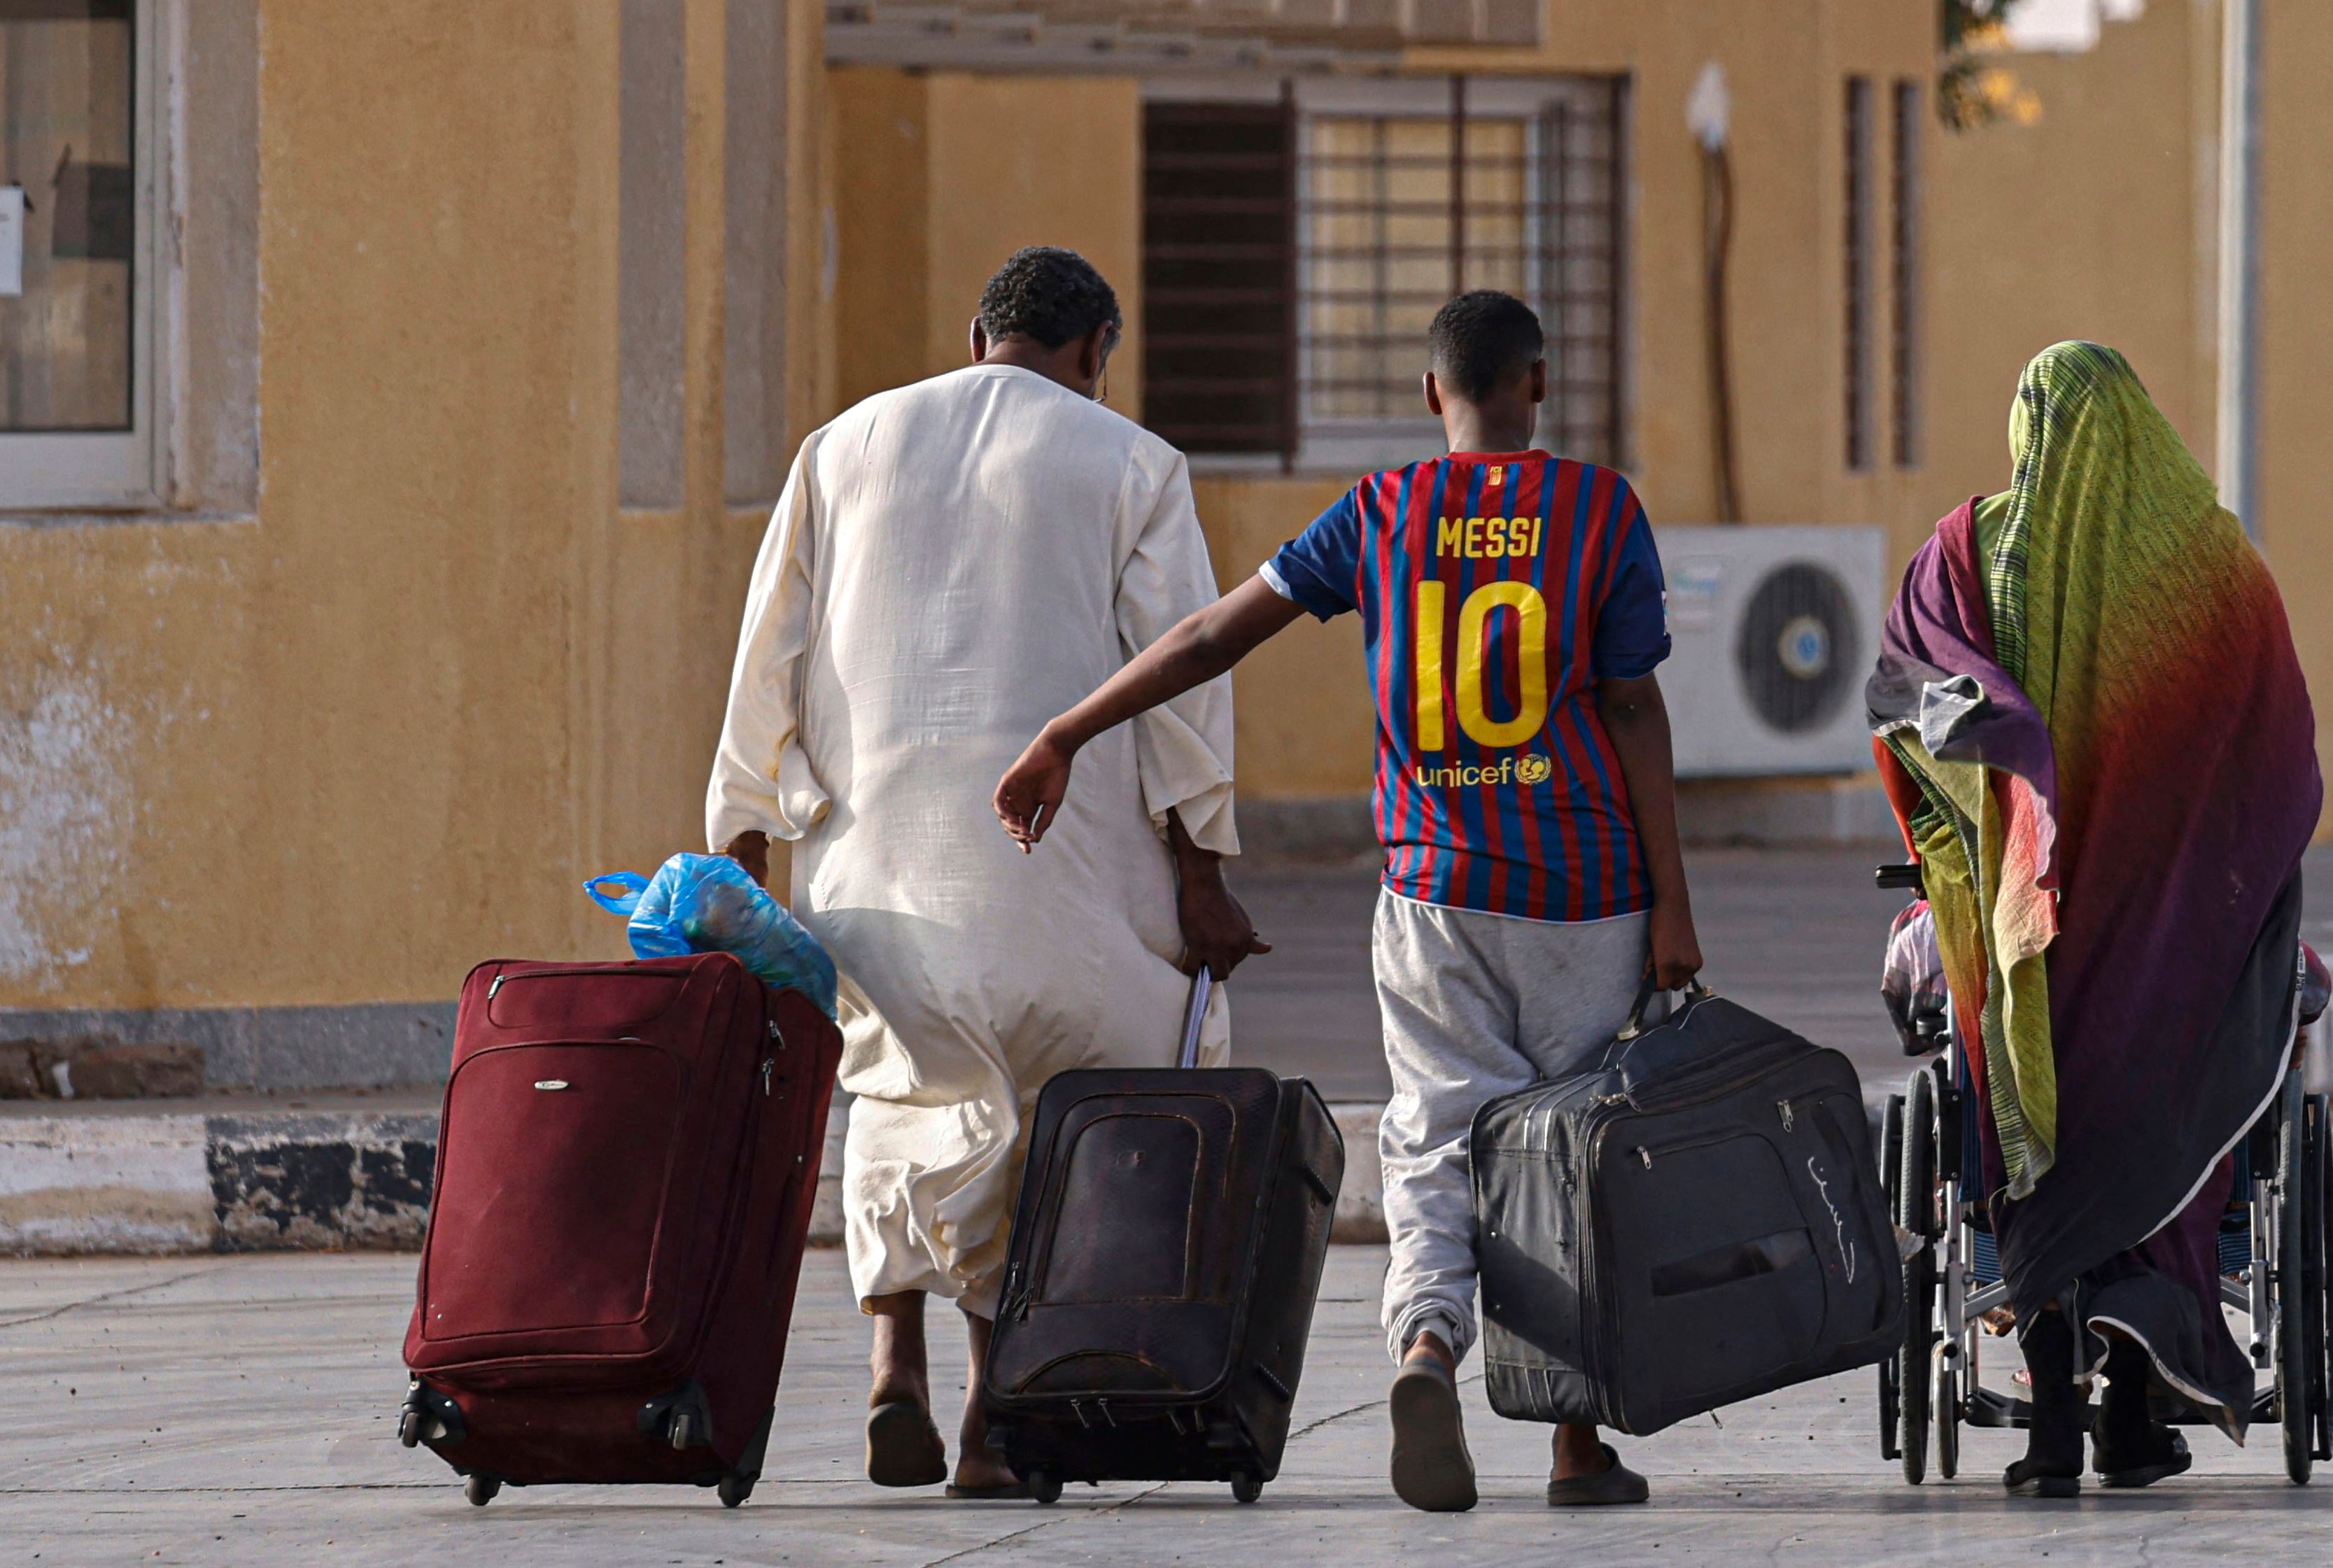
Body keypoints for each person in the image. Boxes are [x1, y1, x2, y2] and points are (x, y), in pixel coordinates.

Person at [991, 288, 1698, 1517]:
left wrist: (1068, 726)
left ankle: (1427, 1344)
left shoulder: (1381, 512)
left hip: (1435, 887)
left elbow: (1213, 637)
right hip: (1589, 894)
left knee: (1434, 1135)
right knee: (1576, 1155)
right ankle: (1577, 1447)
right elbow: (1633, 707)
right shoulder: (1600, 510)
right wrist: (1675, 910)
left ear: (1433, 395)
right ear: (1537, 382)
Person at [707, 246, 1262, 1498]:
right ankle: (989, 1418)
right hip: (1067, 862)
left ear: (975, 337)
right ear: (1093, 358)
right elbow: (1184, 685)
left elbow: (765, 654)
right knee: (1059, 1113)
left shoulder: (841, 447)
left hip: (874, 860)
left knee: (903, 1089)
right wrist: (1205, 870)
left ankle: (892, 1360)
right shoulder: (1132, 462)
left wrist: (743, 835)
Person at [1873, 339, 2321, 1499]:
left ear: (2027, 434)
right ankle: (2135, 1401)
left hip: (2023, 942)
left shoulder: (1966, 561)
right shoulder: (2213, 572)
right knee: (2204, 1033)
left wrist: (2008, 817)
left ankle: (2058, 1424)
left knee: (2016, 1095)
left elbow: (1907, 703)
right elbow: (2273, 765)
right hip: (2179, 944)